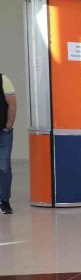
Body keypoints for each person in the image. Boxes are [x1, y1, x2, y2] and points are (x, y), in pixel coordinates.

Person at [0, 73, 17, 214]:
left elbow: (12, 104)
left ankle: (4, 200)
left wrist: (8, 127)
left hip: (2, 133)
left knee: (4, 167)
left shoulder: (3, 79)